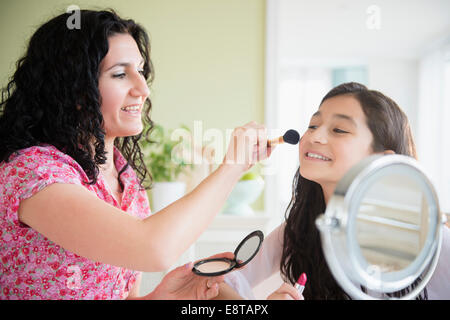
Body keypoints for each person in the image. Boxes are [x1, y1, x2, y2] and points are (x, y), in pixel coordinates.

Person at [0, 9, 271, 300]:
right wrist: (232, 167)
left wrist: (164, 297)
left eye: (140, 71)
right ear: (72, 90)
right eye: (120, 74)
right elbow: (153, 248)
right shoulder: (33, 173)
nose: (143, 88)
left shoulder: (127, 181)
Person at [217, 82, 450, 300]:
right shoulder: (299, 229)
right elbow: (216, 285)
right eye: (313, 125)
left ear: (381, 159)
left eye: (339, 129)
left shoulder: (428, 239)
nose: (313, 136)